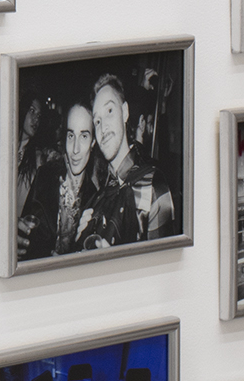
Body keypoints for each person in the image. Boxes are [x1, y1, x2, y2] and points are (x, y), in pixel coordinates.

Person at [86, 74, 174, 246]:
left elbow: (164, 261)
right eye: (97, 121)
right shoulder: (99, 197)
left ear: (125, 112)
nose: (103, 128)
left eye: (109, 111)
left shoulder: (153, 186)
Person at [16, 101, 106, 259]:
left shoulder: (95, 199)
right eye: (71, 136)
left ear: (93, 142)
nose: (75, 149)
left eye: (84, 136)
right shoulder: (44, 175)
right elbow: (25, 227)